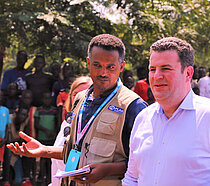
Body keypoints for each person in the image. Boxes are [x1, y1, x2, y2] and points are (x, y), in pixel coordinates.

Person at [7, 34, 148, 185]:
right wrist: (44, 150)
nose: (103, 72)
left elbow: (145, 162)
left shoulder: (133, 106)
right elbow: (76, 150)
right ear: (88, 63)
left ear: (121, 67)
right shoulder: (80, 98)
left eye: (110, 67)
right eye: (97, 65)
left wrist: (107, 170)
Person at [122, 37, 210, 185]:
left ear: (188, 73)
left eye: (166, 69)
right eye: (152, 69)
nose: (157, 76)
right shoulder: (143, 118)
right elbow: (132, 177)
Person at [51, 76, 92, 186]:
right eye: (75, 94)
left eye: (85, 93)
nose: (79, 97)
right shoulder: (67, 122)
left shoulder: (94, 124)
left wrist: (44, 150)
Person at [34, 92, 58, 184]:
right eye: (45, 98)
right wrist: (45, 130)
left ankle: (49, 179)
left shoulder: (54, 110)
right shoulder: (39, 110)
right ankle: (42, 179)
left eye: (49, 99)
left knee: (50, 160)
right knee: (42, 160)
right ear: (42, 100)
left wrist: (53, 132)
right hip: (42, 138)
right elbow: (36, 124)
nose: (47, 101)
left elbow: (57, 122)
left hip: (51, 138)